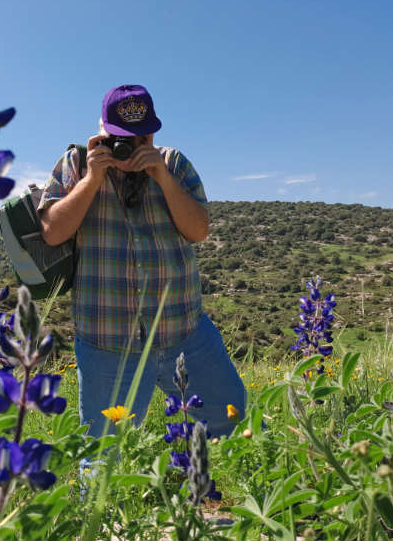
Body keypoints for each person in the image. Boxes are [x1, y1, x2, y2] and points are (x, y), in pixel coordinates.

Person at [38, 84, 246, 439]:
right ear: (101, 132)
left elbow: (198, 230)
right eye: (119, 138)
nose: (128, 148)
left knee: (229, 415)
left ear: (151, 133)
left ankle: (207, 488)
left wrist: (161, 177)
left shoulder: (174, 164)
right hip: (108, 340)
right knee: (104, 452)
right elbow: (53, 232)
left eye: (138, 138)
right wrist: (92, 180)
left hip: (183, 330)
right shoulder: (75, 164)